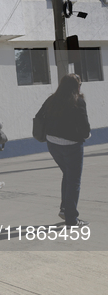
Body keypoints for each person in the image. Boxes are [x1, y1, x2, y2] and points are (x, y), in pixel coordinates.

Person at [35, 74, 91, 227]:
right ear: (76, 86)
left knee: (68, 174)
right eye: (80, 84)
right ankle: (71, 219)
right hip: (72, 145)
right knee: (74, 181)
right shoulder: (78, 101)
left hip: (53, 144)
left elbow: (39, 117)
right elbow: (85, 127)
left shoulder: (51, 100)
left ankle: (65, 209)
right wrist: (86, 134)